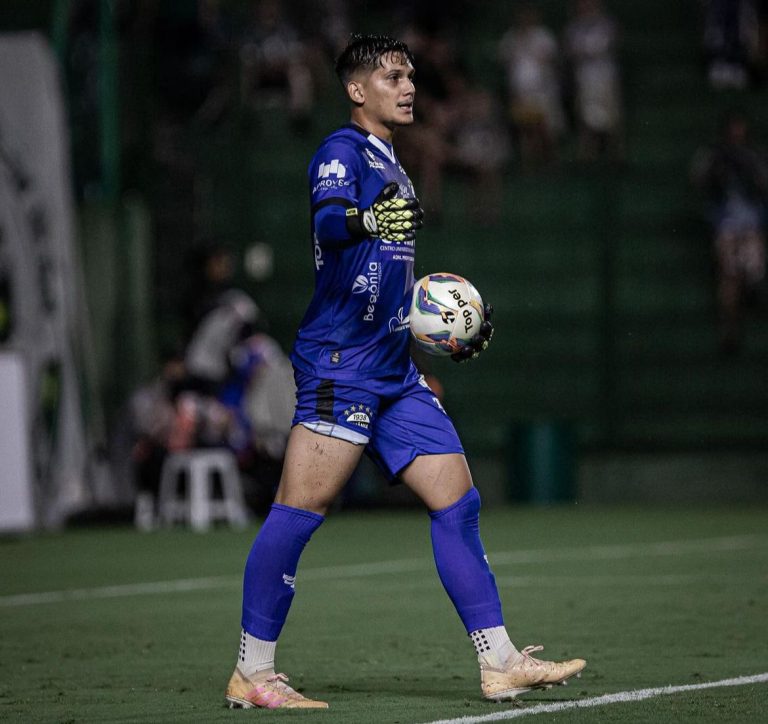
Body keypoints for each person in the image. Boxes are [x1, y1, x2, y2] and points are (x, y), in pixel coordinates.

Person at [224, 33, 585, 710]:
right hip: (341, 365)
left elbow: (389, 276)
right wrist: (363, 217)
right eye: (393, 76)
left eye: (411, 74)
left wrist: (435, 341)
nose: (409, 85)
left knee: (458, 501)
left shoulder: (394, 160)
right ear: (358, 91)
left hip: (393, 368)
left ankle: (500, 660)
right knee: (299, 512)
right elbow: (332, 225)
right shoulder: (340, 152)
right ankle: (252, 670)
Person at [690, 111, 768, 353]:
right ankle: (729, 329)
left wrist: (753, 174)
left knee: (754, 270)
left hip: (752, 223)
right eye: (733, 131)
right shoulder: (713, 155)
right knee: (729, 277)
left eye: (741, 131)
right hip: (725, 223)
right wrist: (716, 171)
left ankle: (753, 289)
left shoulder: (755, 156)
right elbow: (698, 178)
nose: (737, 135)